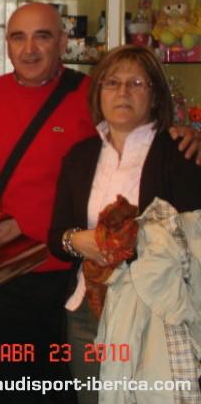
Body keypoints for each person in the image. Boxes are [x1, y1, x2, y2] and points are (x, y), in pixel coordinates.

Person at [0, 2, 200, 404]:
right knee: (19, 384)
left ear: (63, 41)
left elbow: (140, 132)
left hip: (75, 280)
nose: (29, 49)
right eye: (18, 37)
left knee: (73, 388)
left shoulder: (91, 95)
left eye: (43, 36)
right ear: (6, 44)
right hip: (7, 274)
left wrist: (184, 133)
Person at [48, 44, 201, 404]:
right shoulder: (80, 157)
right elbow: (56, 237)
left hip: (154, 312)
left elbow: (191, 243)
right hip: (87, 311)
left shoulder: (178, 154)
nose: (123, 93)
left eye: (136, 83)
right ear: (98, 92)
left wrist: (129, 243)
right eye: (112, 83)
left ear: (155, 95)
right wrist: (78, 241)